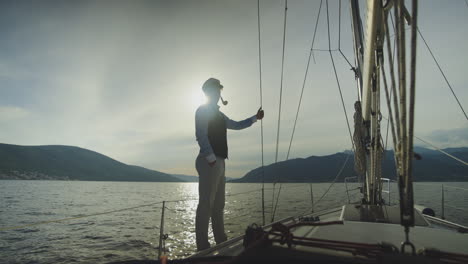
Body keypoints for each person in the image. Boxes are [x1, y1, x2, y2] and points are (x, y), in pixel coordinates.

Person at [194, 78, 264, 251]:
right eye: (215, 90)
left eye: (219, 90)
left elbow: (237, 125)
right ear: (208, 92)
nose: (218, 94)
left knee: (218, 205)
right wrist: (211, 159)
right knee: (206, 205)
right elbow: (201, 135)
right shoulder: (202, 111)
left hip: (219, 162)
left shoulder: (219, 115)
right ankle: (202, 248)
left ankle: (221, 242)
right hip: (209, 161)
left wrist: (255, 118)